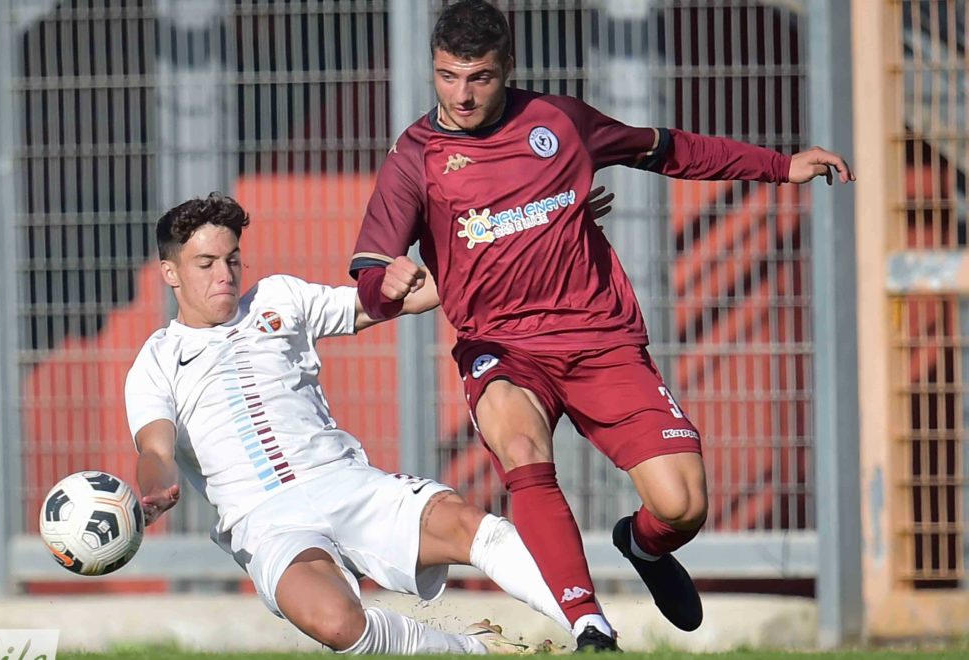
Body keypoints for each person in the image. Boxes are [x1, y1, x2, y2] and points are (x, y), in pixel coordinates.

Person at [349, 0, 856, 652]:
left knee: (682, 505)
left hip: (600, 339)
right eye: (448, 77)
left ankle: (642, 546)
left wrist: (779, 166)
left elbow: (665, 148)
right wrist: (385, 285)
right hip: (501, 347)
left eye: (479, 78)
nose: (462, 95)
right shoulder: (416, 155)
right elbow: (371, 268)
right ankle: (589, 624)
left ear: (508, 67)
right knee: (521, 447)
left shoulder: (560, 122)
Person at [126, 192, 612, 655]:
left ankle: (594, 633)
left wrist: (535, 239)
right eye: (206, 264)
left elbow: (398, 300)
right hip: (266, 522)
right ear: (170, 272)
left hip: (343, 481)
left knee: (475, 526)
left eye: (232, 260)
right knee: (337, 623)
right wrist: (155, 489)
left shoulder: (278, 298)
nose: (224, 275)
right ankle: (479, 649)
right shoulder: (157, 360)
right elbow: (156, 450)